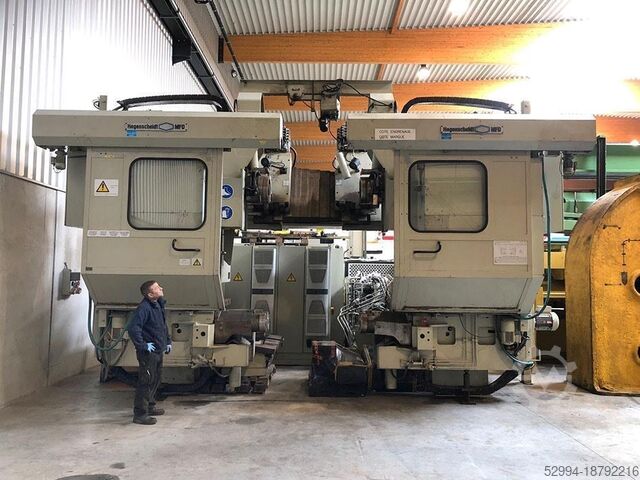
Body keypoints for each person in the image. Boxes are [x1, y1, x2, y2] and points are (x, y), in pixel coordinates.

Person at [127, 280, 172, 425]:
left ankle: (150, 406)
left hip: (158, 350)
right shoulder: (144, 308)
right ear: (150, 294)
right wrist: (143, 345)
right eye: (157, 288)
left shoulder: (158, 305)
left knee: (155, 379)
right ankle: (140, 414)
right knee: (145, 382)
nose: (161, 288)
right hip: (148, 353)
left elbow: (162, 326)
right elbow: (133, 328)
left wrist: (168, 341)